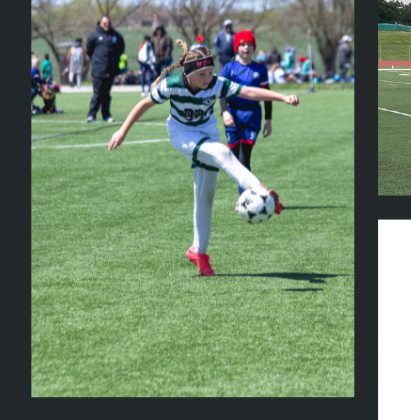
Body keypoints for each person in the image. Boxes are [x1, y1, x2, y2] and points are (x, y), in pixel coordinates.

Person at [107, 39, 297, 278]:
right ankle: (262, 191)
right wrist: (122, 131)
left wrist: (283, 97)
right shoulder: (171, 85)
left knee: (205, 196)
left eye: (210, 73)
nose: (208, 79)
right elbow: (144, 104)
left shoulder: (216, 83)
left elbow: (248, 91)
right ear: (189, 73)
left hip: (207, 131)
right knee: (223, 152)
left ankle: (199, 251)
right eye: (203, 74)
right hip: (182, 134)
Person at [220, 30, 273, 197]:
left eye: (249, 44)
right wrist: (224, 112)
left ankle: (244, 198)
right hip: (233, 116)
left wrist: (268, 120)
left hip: (252, 116)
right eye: (242, 44)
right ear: (237, 47)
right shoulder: (229, 68)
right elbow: (221, 92)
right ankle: (247, 193)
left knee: (244, 159)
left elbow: (267, 95)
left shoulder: (260, 69)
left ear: (254, 47)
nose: (246, 47)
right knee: (234, 161)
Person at [85, 15, 124, 123]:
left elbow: (121, 48)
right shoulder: (94, 36)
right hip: (99, 69)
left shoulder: (115, 36)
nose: (107, 25)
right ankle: (91, 115)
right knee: (97, 93)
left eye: (109, 23)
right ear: (100, 23)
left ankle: (106, 116)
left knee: (106, 94)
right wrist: (97, 60)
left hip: (110, 70)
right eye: (105, 23)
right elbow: (89, 50)